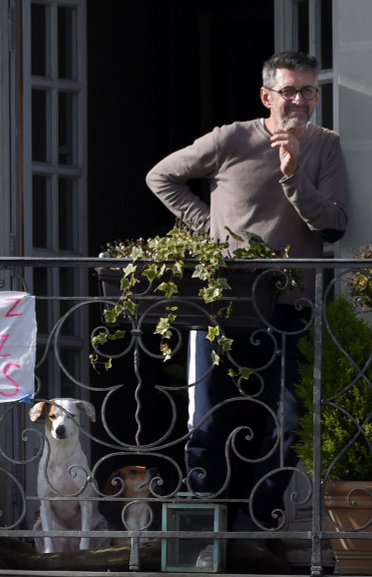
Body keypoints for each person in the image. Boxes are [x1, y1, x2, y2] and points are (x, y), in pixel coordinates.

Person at [145, 51, 348, 547]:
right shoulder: (231, 137)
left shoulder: (325, 147)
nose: (299, 100)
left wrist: (292, 174)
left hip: (292, 303)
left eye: (308, 91)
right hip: (224, 305)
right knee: (211, 421)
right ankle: (202, 537)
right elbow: (161, 176)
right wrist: (210, 233)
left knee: (288, 422)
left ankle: (258, 528)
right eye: (289, 91)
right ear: (267, 96)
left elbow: (334, 224)